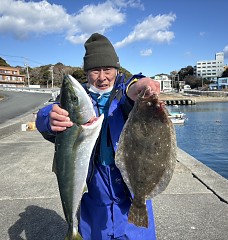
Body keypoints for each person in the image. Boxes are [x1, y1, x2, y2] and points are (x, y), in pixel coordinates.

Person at [36, 33, 160, 240]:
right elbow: (49, 110)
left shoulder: (125, 93)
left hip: (129, 185)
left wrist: (140, 88)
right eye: (95, 70)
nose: (102, 77)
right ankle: (72, 229)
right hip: (94, 192)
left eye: (108, 69)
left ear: (117, 70)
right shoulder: (79, 97)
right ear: (86, 73)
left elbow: (132, 92)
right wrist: (48, 119)